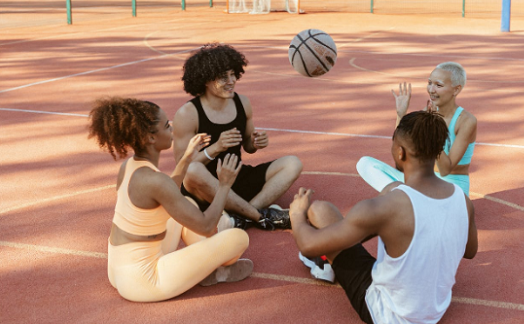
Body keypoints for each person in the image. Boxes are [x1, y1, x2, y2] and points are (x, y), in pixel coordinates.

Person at [291, 110, 478, 324]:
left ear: (400, 152)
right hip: (434, 309)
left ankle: (325, 262)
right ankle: (329, 256)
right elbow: (470, 251)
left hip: (388, 314)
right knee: (323, 210)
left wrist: (296, 214)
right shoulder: (462, 200)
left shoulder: (386, 209)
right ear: (437, 151)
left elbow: (307, 243)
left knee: (316, 212)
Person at [89, 97, 253, 303]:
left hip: (117, 268)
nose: (172, 129)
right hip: (145, 281)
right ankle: (213, 269)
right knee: (238, 238)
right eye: (166, 126)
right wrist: (224, 185)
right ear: (150, 138)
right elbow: (206, 226)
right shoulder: (156, 181)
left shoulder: (130, 167)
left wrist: (186, 159)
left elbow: (166, 192)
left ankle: (207, 267)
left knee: (188, 206)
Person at [173, 43, 302, 230]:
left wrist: (256, 142)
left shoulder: (242, 103)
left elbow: (248, 146)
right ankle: (259, 216)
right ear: (206, 81)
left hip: (235, 177)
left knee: (293, 163)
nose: (231, 81)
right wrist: (215, 148)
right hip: (205, 186)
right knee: (194, 171)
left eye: (233, 74)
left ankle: (242, 217)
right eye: (223, 77)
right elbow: (182, 169)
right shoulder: (188, 114)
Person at [357, 62, 477, 195]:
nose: (431, 89)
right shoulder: (426, 113)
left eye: (438, 85)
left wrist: (431, 129)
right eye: (429, 83)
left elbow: (445, 169)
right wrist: (401, 115)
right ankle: (408, 198)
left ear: (456, 89)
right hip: (423, 181)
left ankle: (407, 199)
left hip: (452, 189)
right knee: (365, 164)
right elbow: (401, 148)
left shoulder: (466, 121)